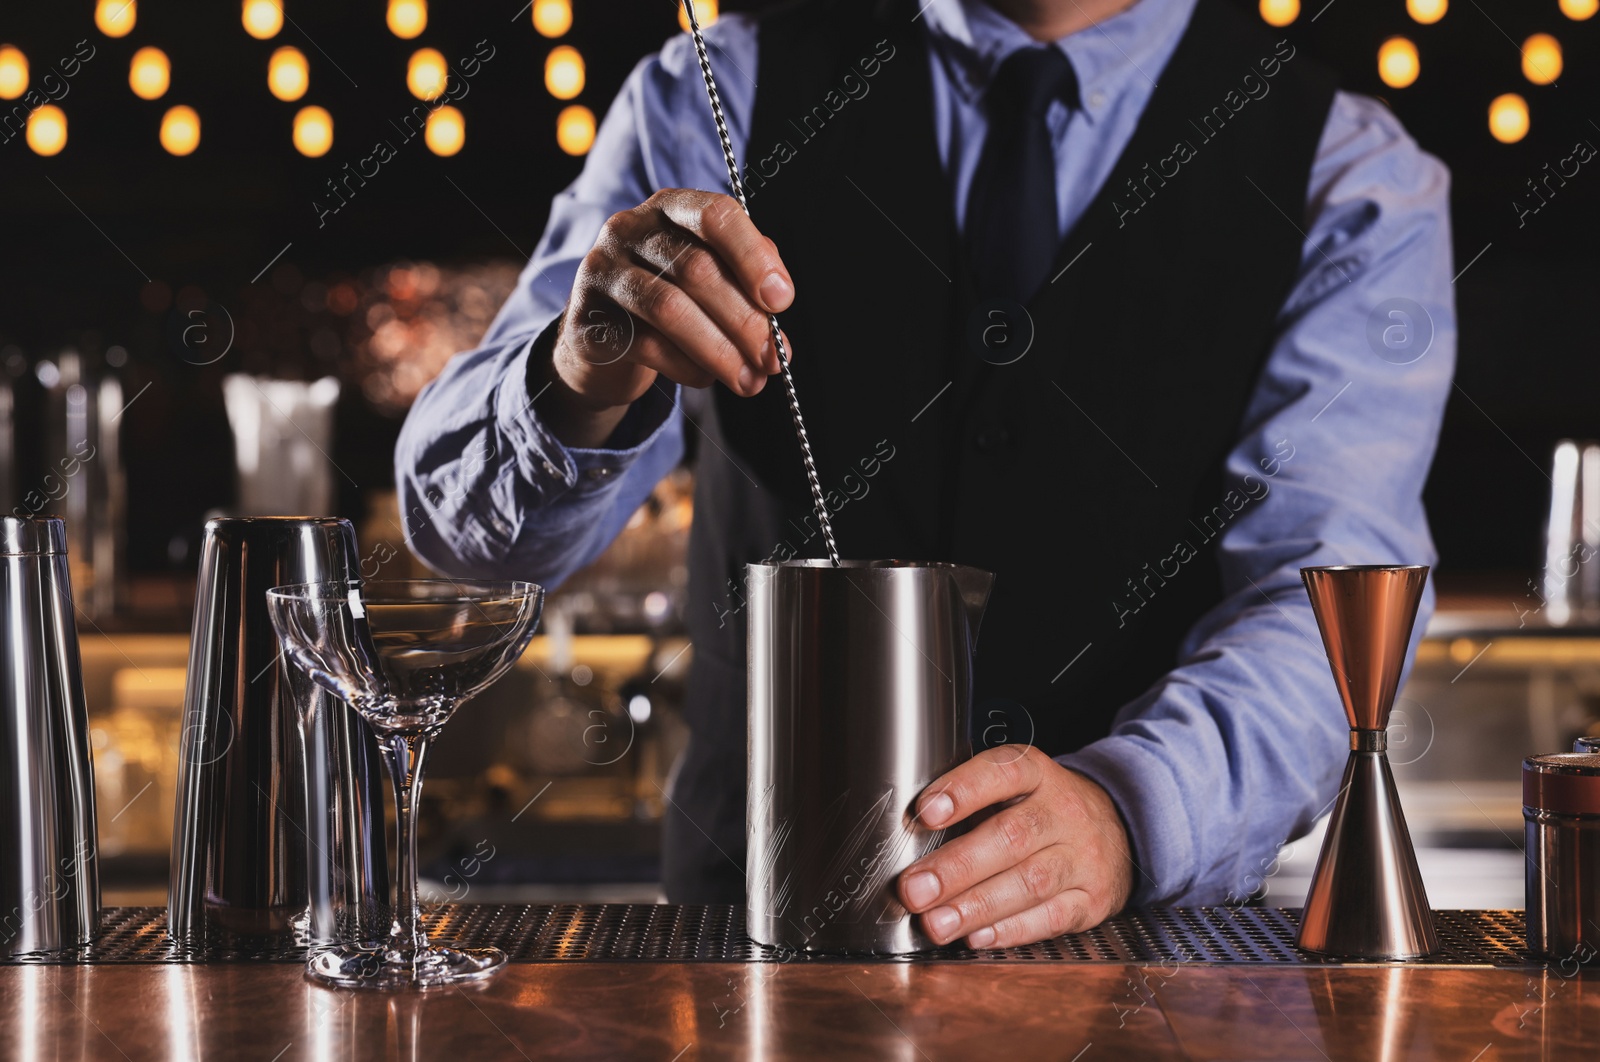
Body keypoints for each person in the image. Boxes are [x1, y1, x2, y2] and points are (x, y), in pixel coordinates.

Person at [395, 0, 1454, 950]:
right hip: (748, 947)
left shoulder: (1349, 173)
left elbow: (1330, 603)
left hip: (1136, 970)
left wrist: (1131, 811)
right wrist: (575, 380)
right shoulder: (714, 90)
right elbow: (470, 543)